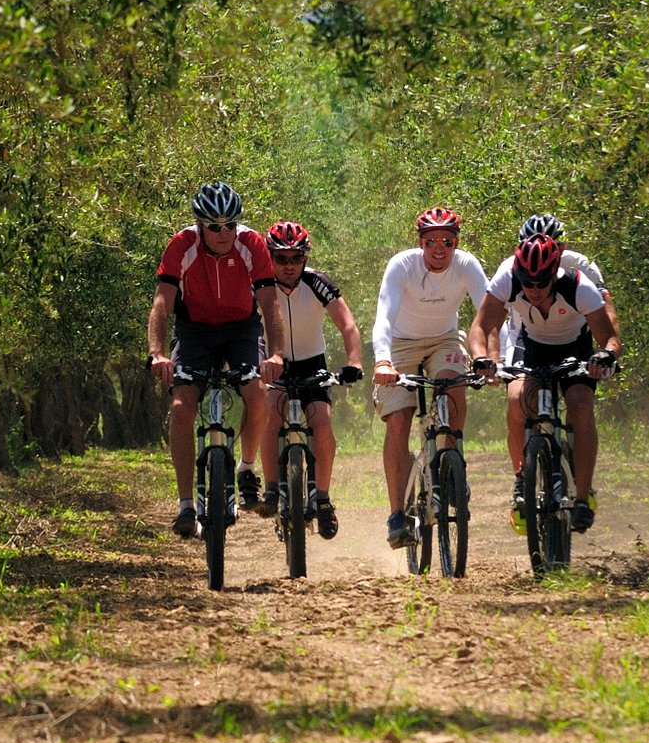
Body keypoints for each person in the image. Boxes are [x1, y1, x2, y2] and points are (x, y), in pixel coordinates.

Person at [147, 182, 285, 538]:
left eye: (231, 225)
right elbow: (162, 301)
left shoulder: (251, 243)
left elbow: (270, 303)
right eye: (215, 226)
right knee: (181, 407)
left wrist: (276, 353)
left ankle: (245, 467)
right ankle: (185, 505)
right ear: (199, 224)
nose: (224, 233)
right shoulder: (182, 245)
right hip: (195, 331)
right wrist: (157, 353)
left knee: (257, 394)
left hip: (242, 329)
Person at [468, 232, 621, 533]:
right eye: (528, 282)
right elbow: (480, 325)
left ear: (555, 273)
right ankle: (521, 482)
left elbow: (610, 337)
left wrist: (606, 355)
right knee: (517, 401)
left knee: (580, 406)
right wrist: (480, 357)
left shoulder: (579, 286)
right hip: (532, 345)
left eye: (541, 283)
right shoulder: (508, 279)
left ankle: (581, 497)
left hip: (574, 347)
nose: (533, 289)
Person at [372, 206, 489, 548]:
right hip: (400, 344)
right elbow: (383, 317)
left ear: (456, 243)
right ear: (420, 243)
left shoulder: (466, 265)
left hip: (444, 339)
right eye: (432, 241)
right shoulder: (402, 266)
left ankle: (451, 465)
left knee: (454, 385)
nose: (440, 249)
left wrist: (492, 358)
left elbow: (489, 313)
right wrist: (382, 361)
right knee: (399, 420)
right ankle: (397, 514)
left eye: (448, 242)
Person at [255, 220, 364, 540]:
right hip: (274, 365)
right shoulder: (259, 286)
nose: (289, 266)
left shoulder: (317, 283)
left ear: (305, 257)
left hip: (311, 363)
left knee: (322, 424)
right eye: (281, 259)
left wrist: (354, 362)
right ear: (269, 257)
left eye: (296, 258)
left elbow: (348, 325)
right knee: (270, 417)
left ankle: (324, 499)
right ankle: (273, 489)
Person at [498, 213, 621, 365]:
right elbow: (495, 313)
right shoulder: (509, 268)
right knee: (518, 386)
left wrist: (609, 351)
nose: (539, 250)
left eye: (550, 244)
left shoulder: (581, 264)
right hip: (525, 334)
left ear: (562, 247)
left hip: (574, 336)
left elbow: (606, 310)